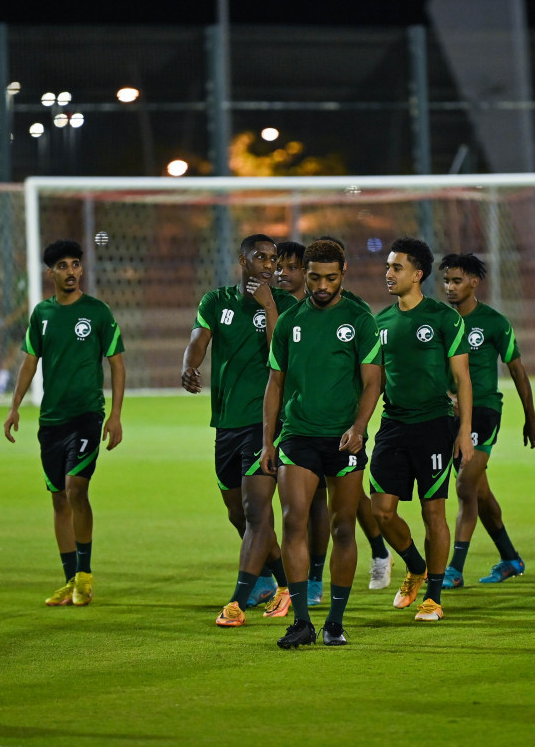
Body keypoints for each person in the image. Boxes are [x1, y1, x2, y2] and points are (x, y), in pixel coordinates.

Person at [260, 239, 383, 647]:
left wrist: (360, 426)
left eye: (330, 277)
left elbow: (372, 381)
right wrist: (268, 441)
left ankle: (335, 621)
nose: (322, 285)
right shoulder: (291, 320)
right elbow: (274, 384)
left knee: (342, 526)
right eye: (314, 277)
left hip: (344, 439)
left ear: (344, 271)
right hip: (298, 434)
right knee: (294, 520)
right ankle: (300, 621)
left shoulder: (360, 319)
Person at [182, 234, 299, 626]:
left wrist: (268, 306)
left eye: (274, 259)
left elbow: (281, 357)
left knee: (255, 511)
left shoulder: (284, 304)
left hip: (265, 424)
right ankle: (284, 586)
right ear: (242, 260)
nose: (269, 264)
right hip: (227, 424)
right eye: (261, 257)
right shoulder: (216, 302)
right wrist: (190, 366)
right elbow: (198, 341)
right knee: (239, 514)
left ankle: (238, 600)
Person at [2, 239, 124, 607]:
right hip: (51, 420)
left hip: (87, 415)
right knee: (58, 499)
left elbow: (116, 364)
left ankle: (85, 577)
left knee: (76, 488)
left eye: (76, 264)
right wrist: (14, 407)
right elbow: (29, 362)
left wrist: (115, 415)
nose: (72, 271)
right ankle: (69, 579)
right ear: (50, 272)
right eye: (63, 266)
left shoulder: (98, 312)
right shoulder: (42, 314)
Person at [370, 237, 474, 622]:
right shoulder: (379, 323)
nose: (388, 273)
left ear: (418, 274)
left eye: (396, 267)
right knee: (380, 511)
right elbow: (373, 382)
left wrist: (464, 431)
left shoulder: (444, 318)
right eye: (387, 267)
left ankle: (433, 596)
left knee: (434, 512)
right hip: (393, 424)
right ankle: (415, 566)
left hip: (434, 425)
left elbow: (463, 379)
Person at [438, 253, 535, 589]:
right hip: (447, 416)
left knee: (465, 485)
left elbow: (518, 371)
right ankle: (511, 558)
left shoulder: (494, 322)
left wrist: (531, 418)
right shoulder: (440, 321)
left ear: (474, 282)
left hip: (483, 410)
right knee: (480, 492)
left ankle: (453, 568)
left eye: (457, 280)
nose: (450, 287)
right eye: (446, 281)